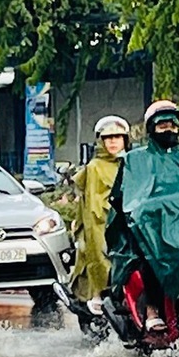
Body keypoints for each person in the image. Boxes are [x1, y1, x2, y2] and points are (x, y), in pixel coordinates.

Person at [107, 99, 179, 330]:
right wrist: (143, 213)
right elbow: (123, 198)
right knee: (153, 251)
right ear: (151, 128)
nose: (168, 130)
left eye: (172, 125)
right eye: (162, 125)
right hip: (147, 228)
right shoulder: (135, 160)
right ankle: (152, 307)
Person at [68, 115, 131, 305]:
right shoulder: (94, 167)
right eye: (107, 137)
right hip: (101, 222)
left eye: (117, 137)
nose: (112, 141)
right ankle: (97, 297)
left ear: (125, 140)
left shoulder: (133, 163)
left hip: (130, 221)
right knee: (99, 258)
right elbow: (93, 207)